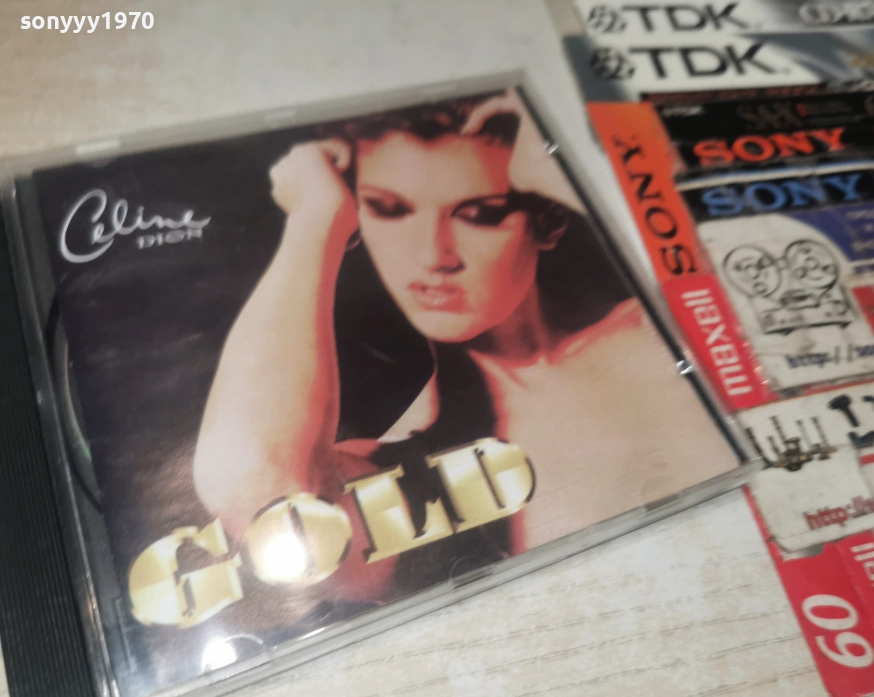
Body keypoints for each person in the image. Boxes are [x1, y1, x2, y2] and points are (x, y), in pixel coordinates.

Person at [193, 89, 737, 603]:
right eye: (389, 209)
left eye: (480, 214)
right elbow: (261, 498)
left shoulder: (663, 324)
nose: (434, 256)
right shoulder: (412, 461)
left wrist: (558, 159)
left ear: (546, 221)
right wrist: (315, 218)